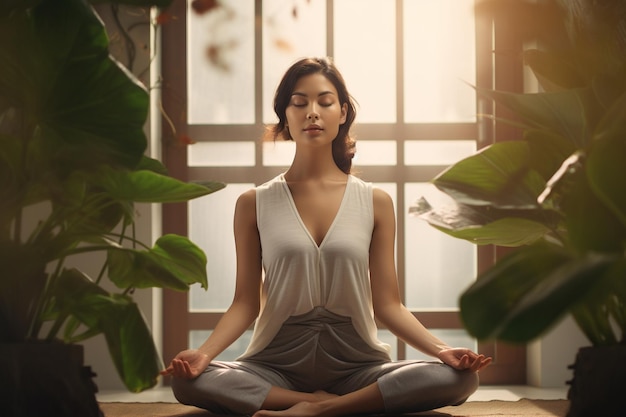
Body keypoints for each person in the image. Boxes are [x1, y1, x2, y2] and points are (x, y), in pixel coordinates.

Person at [161, 57, 492, 417]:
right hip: (274, 365)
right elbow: (245, 304)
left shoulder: (375, 202)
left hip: (357, 367)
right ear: (285, 117)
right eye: (299, 103)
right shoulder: (253, 203)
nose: (312, 113)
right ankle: (321, 405)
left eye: (325, 101)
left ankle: (321, 410)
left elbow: (389, 305)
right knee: (188, 381)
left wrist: (443, 350)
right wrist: (204, 355)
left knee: (459, 380)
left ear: (343, 112)